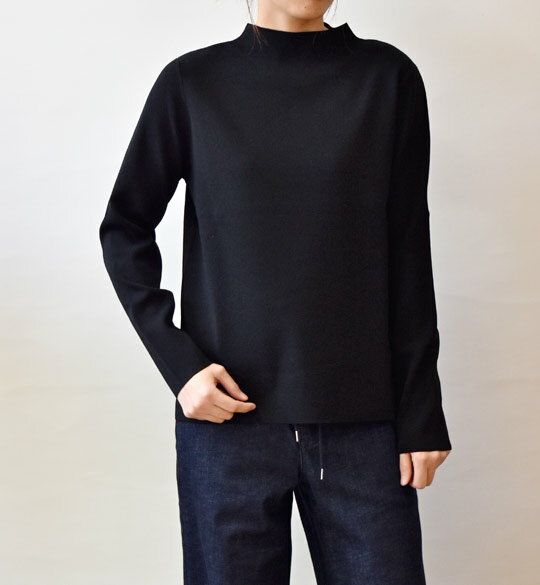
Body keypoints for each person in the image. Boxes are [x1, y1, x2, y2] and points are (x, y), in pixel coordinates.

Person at [99, 2, 453, 583]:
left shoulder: (387, 78)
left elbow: (409, 249)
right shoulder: (192, 83)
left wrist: (421, 411)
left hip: (364, 424)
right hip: (228, 424)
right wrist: (181, 367)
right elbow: (124, 227)